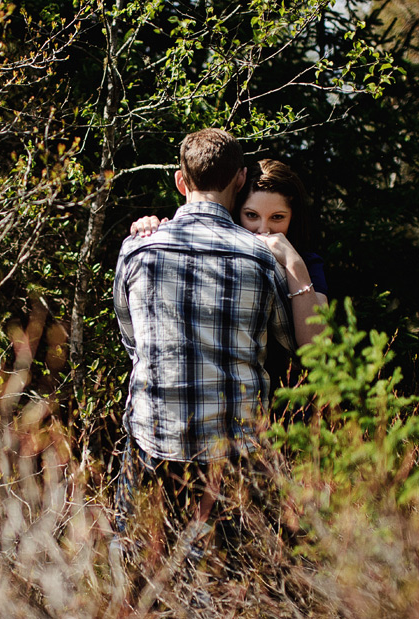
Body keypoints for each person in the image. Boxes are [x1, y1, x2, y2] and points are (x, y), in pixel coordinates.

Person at [112, 130, 296, 562]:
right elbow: (287, 342)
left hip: (153, 441)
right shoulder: (261, 256)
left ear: (181, 181)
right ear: (240, 179)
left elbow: (133, 343)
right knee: (222, 578)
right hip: (234, 453)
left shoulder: (137, 249)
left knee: (136, 571)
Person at [131, 158, 327, 348]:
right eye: (251, 215)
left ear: (293, 216)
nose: (263, 229)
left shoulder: (307, 264)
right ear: (236, 210)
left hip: (288, 380)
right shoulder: (216, 252)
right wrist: (153, 230)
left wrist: (293, 263)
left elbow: (319, 346)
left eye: (277, 217)